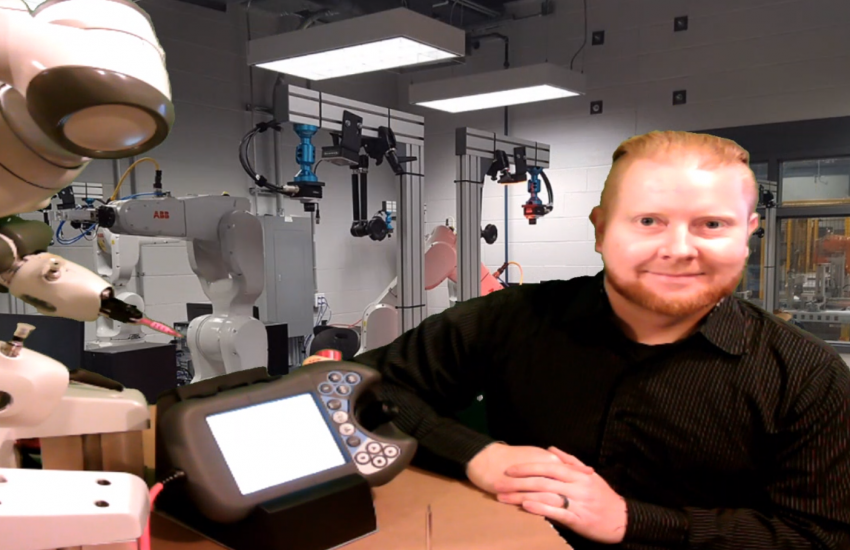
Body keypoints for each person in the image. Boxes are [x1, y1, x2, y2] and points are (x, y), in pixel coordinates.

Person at [351, 130, 850, 549]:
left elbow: (824, 537)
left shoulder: (808, 379)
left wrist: (633, 520)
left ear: (747, 234)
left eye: (712, 224)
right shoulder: (512, 319)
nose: (678, 249)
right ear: (601, 229)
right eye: (648, 221)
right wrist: (478, 455)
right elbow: (365, 387)